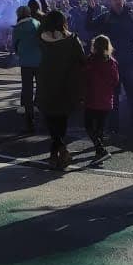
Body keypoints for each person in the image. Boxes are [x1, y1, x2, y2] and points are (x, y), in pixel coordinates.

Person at [87, 0, 133, 142]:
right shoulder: (106, 17)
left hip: (129, 65)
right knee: (112, 98)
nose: (117, 2)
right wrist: (90, 10)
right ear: (110, 1)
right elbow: (89, 26)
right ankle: (113, 130)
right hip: (111, 65)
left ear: (123, 0)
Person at [35, 9, 85, 170]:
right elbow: (82, 59)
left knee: (50, 118)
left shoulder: (40, 39)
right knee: (62, 119)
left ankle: (56, 152)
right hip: (66, 83)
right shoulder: (72, 39)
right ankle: (60, 150)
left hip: (46, 82)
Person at [82, 34, 120, 158]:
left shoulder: (90, 61)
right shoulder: (112, 62)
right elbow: (115, 81)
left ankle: (99, 148)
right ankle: (99, 151)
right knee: (100, 127)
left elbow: (84, 78)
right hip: (106, 100)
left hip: (91, 98)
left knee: (88, 125)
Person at [11, 4, 43, 133]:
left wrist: (19, 53)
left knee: (27, 89)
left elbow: (15, 45)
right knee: (40, 86)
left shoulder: (18, 28)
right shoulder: (37, 23)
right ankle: (38, 106)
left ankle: (30, 120)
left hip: (26, 62)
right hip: (39, 60)